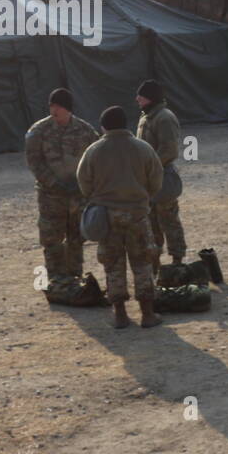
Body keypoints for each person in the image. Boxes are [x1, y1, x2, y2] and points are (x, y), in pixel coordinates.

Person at [77, 106, 164, 329]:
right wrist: (142, 197)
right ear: (126, 124)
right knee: (143, 262)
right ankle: (147, 314)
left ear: (103, 126)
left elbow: (83, 182)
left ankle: (120, 315)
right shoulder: (143, 149)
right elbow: (156, 180)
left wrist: (99, 197)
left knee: (113, 264)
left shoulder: (94, 151)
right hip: (137, 214)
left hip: (107, 215)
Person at [25, 88, 99, 280]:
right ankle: (56, 278)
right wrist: (54, 183)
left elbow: (95, 158)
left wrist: (84, 184)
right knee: (52, 238)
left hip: (77, 195)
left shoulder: (85, 131)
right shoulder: (38, 131)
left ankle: (75, 276)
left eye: (58, 106)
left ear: (67, 108)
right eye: (51, 106)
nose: (54, 110)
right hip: (51, 196)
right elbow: (34, 162)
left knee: (76, 237)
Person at [135, 79, 187, 266]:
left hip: (163, 178)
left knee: (169, 221)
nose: (137, 99)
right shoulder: (145, 118)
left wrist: (150, 168)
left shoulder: (164, 117)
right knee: (151, 223)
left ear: (150, 97)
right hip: (148, 180)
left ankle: (177, 260)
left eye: (141, 95)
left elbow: (169, 150)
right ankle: (154, 259)